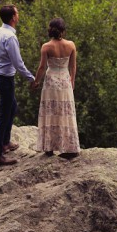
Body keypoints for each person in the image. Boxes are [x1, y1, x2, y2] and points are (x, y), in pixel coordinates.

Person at [0, 4, 35, 167]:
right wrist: (31, 78)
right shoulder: (10, 37)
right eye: (17, 13)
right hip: (4, 79)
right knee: (4, 116)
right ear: (13, 18)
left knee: (12, 106)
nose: (19, 15)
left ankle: (5, 142)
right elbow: (18, 63)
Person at [32, 17, 80, 158]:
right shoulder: (71, 45)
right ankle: (69, 147)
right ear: (63, 31)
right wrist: (73, 81)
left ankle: (49, 147)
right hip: (65, 80)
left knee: (50, 112)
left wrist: (36, 81)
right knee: (66, 113)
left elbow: (42, 67)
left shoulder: (46, 47)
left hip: (51, 81)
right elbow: (73, 66)